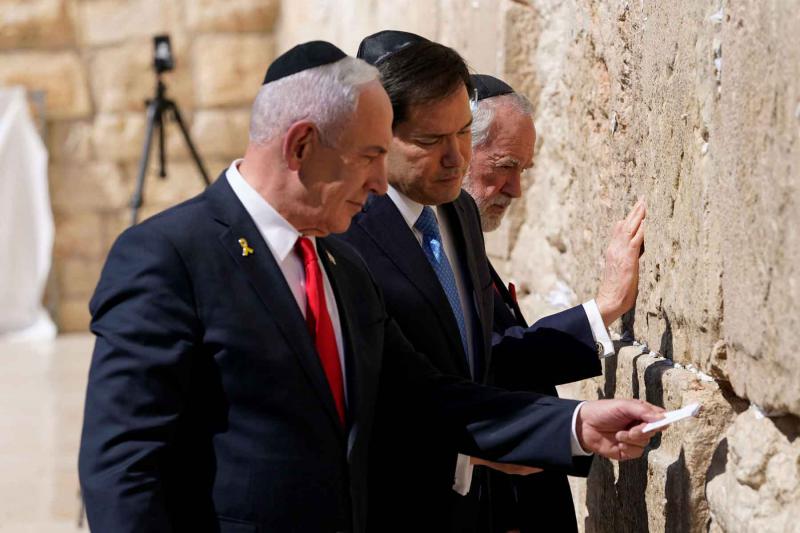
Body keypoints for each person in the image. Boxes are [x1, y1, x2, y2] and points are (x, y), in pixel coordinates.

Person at [78, 41, 662, 533]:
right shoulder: (170, 256)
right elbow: (125, 469)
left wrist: (574, 424)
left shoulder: (339, 266)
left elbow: (423, 397)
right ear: (301, 146)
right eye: (370, 156)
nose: (382, 183)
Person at [336, 32, 646, 532]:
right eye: (432, 141)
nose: (454, 158)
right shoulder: (343, 234)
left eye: (461, 133)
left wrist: (574, 421)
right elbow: (392, 393)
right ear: (378, 135)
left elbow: (484, 357)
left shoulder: (457, 213)